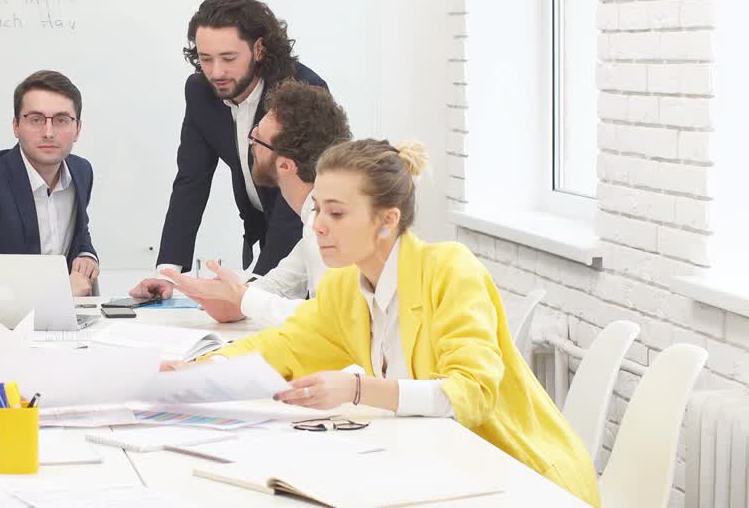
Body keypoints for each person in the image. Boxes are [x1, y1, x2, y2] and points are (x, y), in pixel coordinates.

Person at [194, 140, 600, 507]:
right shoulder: (343, 287)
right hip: (439, 474)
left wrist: (356, 389)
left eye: (336, 212)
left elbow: (471, 394)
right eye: (317, 208)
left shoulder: (448, 270)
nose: (318, 225)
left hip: (523, 481)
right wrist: (195, 372)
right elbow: (282, 348)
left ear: (387, 220)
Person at [130, 0, 331, 299]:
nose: (216, 72)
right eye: (205, 58)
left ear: (259, 49)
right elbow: (190, 182)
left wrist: (252, 294)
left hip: (306, 234)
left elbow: (299, 191)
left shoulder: (300, 93)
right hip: (260, 230)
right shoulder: (200, 92)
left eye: (228, 58)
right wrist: (169, 272)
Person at [158, 79, 350, 323]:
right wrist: (231, 296)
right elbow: (280, 283)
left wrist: (243, 299)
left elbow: (330, 319)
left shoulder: (326, 226)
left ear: (285, 165)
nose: (249, 144)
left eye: (257, 139)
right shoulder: (313, 220)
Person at [0, 70, 99, 297]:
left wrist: (86, 254)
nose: (48, 133)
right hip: (2, 324)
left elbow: (78, 232)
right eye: (36, 119)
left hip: (64, 323)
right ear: (16, 126)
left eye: (61, 120)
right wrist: (60, 292)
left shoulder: (81, 172)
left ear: (77, 129)